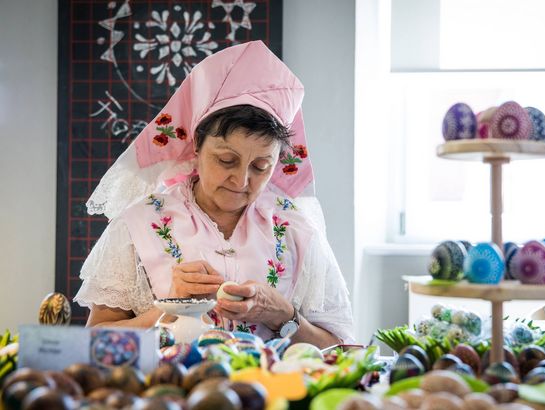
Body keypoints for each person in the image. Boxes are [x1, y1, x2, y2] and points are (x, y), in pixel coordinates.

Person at [74, 41, 354, 347]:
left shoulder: (296, 230)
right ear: (196, 146)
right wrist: (169, 309)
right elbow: (94, 341)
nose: (241, 180)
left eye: (261, 166)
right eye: (226, 160)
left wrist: (283, 316)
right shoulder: (138, 225)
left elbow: (342, 348)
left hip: (270, 393)